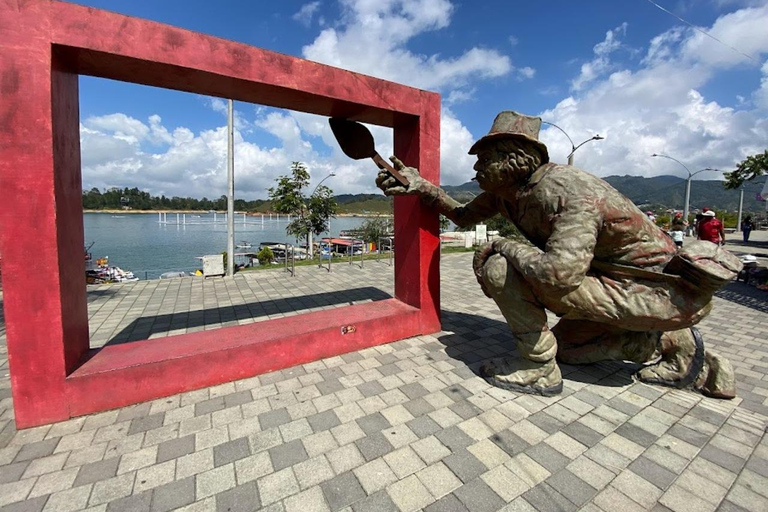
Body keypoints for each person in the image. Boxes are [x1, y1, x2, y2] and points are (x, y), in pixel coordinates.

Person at [376, 111, 740, 398]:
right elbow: (461, 214)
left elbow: (559, 275)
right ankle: (668, 347)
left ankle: (538, 367)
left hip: (659, 294)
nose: (475, 168)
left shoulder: (568, 191)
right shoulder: (507, 192)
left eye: (484, 159)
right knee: (569, 350)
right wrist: (420, 186)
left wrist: (503, 245)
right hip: (616, 286)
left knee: (500, 266)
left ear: (514, 159)